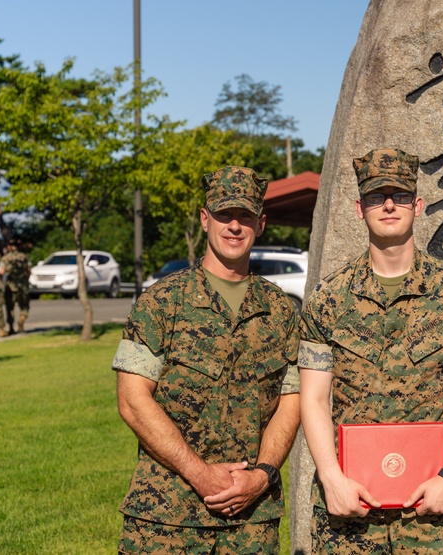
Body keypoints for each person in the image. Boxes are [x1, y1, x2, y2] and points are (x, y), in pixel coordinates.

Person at [300, 147, 443, 554]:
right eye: (375, 197)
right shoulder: (328, 298)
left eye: (400, 196)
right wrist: (331, 479)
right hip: (348, 510)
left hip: (430, 510)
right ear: (359, 209)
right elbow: (314, 398)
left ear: (418, 205)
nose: (389, 205)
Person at [113, 166, 302, 554]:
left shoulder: (281, 310)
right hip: (166, 516)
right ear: (204, 219)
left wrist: (263, 475)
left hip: (251, 519)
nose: (234, 226)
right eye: (224, 215)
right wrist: (199, 474)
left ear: (261, 224)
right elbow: (132, 401)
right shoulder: (162, 302)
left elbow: (292, 400)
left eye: (245, 216)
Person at [1, 239, 32, 334]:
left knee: (10, 308)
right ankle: (21, 320)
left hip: (11, 287)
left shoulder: (5, 258)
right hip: (23, 286)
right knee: (24, 306)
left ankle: (11, 327)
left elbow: (1, 271)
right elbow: (29, 270)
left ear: (10, 247)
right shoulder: (24, 257)